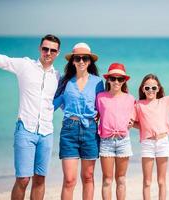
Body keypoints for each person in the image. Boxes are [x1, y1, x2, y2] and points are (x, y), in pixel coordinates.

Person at [0, 34, 61, 200]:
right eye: (45, 49)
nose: (48, 53)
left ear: (57, 53)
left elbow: (68, 100)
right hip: (25, 130)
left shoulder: (57, 77)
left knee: (40, 179)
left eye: (52, 50)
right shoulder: (25, 65)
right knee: (23, 179)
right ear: (40, 49)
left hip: (46, 133)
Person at [53, 42, 104, 200]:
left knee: (88, 177)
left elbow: (104, 105)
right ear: (72, 61)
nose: (81, 61)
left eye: (85, 58)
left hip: (90, 130)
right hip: (69, 130)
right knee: (69, 180)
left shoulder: (98, 82)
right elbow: (52, 103)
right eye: (78, 58)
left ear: (90, 61)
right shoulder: (64, 81)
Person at [96, 63, 135, 200]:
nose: (116, 82)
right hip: (106, 141)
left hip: (123, 141)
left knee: (121, 179)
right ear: (108, 80)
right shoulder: (100, 97)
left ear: (124, 81)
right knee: (107, 180)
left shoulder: (130, 98)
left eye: (120, 79)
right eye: (113, 78)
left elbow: (135, 116)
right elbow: (95, 115)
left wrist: (132, 122)